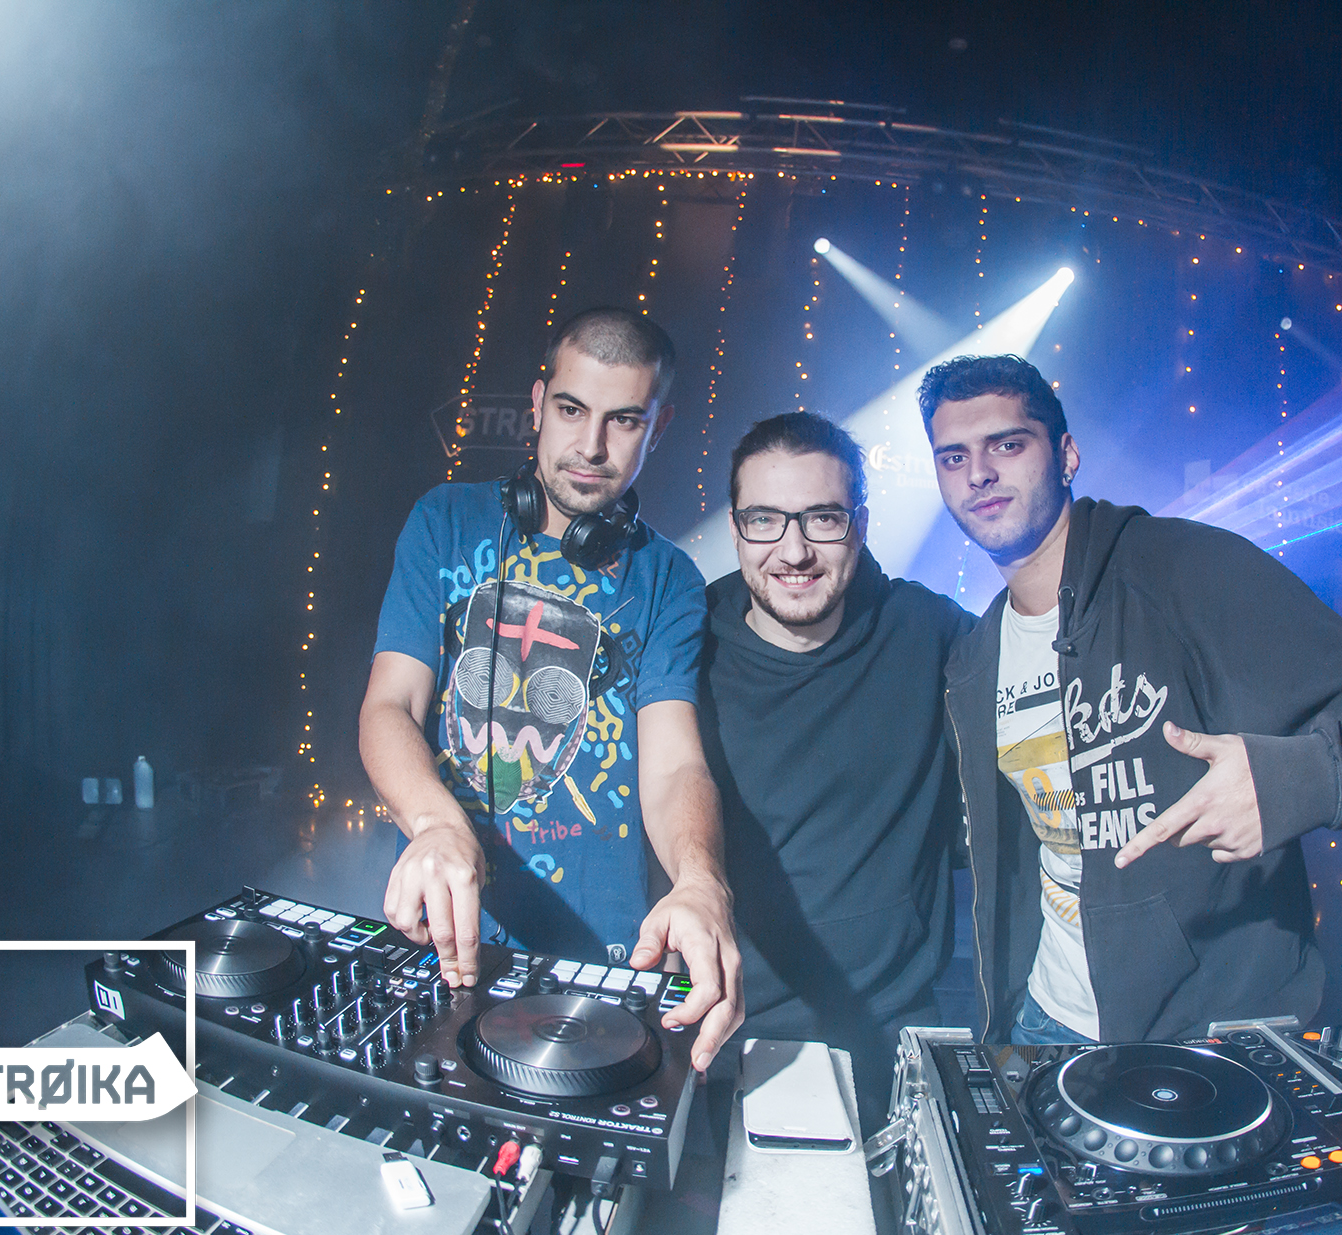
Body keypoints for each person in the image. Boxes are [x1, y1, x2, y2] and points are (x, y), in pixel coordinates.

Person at [922, 354, 1342, 1046]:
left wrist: (1295, 779)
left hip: (1207, 1036)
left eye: (1007, 445)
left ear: (1067, 455)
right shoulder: (974, 657)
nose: (979, 473)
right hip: (1045, 1021)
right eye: (954, 457)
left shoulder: (1183, 569)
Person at [359, 307, 741, 1071]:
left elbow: (673, 764)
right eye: (571, 410)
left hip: (599, 965)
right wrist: (435, 825)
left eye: (623, 421)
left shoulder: (668, 578)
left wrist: (703, 882)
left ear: (658, 427)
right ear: (537, 404)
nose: (591, 446)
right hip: (438, 935)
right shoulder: (445, 521)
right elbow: (389, 705)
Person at [696, 411, 972, 1121]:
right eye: (764, 520)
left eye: (822, 518)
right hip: (715, 1031)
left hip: (890, 1034)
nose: (793, 551)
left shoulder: (928, 630)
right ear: (736, 528)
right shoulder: (684, 647)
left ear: (860, 525)